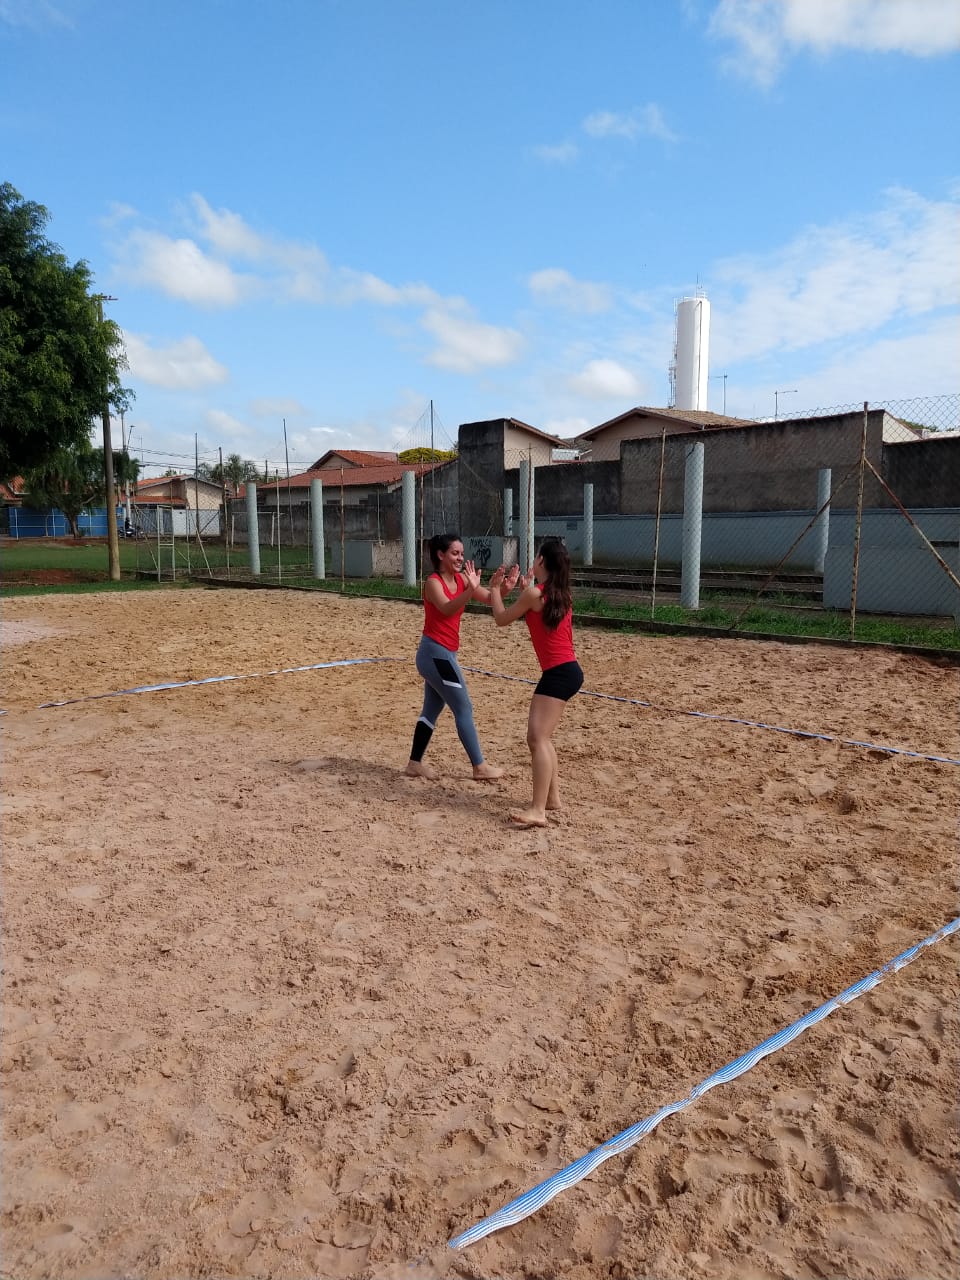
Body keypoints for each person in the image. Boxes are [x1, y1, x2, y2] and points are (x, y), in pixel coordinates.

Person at [404, 532, 519, 782]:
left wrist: (503, 589)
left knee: (431, 709)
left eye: (462, 554)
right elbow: (447, 608)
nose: (460, 558)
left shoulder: (462, 579)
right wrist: (470, 590)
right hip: (434, 654)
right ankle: (479, 767)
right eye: (455, 553)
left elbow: (488, 598)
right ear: (440, 555)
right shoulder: (433, 582)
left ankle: (414, 763)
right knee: (464, 707)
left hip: (444, 655)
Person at [488, 538, 583, 827]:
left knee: (536, 738)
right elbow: (538, 614)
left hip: (558, 673)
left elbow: (501, 618)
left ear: (541, 561)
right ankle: (552, 799)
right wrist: (524, 592)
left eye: (536, 555)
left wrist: (495, 590)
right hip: (567, 671)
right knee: (543, 737)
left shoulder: (535, 594)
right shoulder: (560, 593)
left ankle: (538, 809)